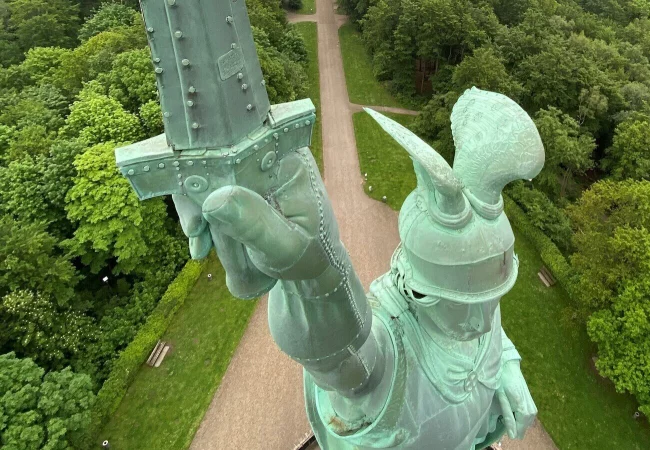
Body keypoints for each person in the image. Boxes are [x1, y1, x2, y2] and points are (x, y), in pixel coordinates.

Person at [173, 88, 543, 449]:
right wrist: (320, 280)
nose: (481, 321)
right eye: (467, 304)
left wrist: (505, 363)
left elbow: (485, 315)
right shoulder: (392, 343)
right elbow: (346, 361)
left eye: (491, 297)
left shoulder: (468, 304)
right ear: (420, 290)